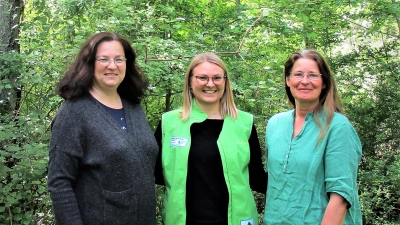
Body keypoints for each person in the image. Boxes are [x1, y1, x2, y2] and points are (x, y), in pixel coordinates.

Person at [47, 32, 158, 225]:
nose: (112, 66)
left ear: (127, 64)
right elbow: (59, 183)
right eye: (104, 59)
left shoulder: (133, 106)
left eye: (118, 59)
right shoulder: (74, 112)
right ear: (89, 63)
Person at [154, 52, 267, 225]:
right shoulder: (169, 123)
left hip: (236, 219)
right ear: (190, 81)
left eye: (217, 78)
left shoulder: (244, 123)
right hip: (184, 220)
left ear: (225, 82)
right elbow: (153, 174)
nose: (210, 84)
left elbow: (257, 178)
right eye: (202, 78)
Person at [262, 49, 362, 224]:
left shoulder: (338, 127)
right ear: (288, 80)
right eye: (298, 74)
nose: (305, 81)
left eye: (313, 75)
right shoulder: (275, 124)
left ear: (323, 82)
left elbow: (340, 197)